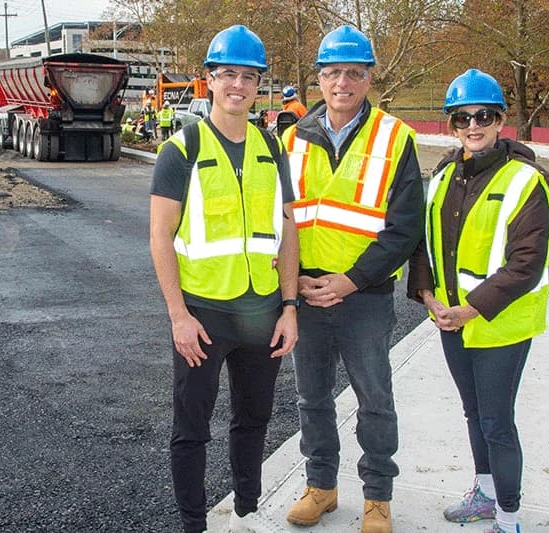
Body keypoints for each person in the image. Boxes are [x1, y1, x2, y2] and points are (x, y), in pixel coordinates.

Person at [149, 24, 299, 533]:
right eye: (228, 73)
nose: (239, 84)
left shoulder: (272, 148)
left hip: (262, 311)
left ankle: (247, 513)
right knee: (191, 428)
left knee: (254, 421)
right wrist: (178, 316)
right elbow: (160, 237)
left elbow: (287, 231)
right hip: (204, 314)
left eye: (249, 76)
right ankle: (194, 524)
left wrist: (290, 307)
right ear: (209, 79)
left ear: (260, 84)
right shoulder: (182, 149)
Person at [280, 25, 424, 532]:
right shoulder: (290, 139)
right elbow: (280, 221)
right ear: (319, 78)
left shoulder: (395, 137)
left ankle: (378, 497)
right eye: (334, 72)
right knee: (311, 399)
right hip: (306, 294)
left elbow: (405, 229)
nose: (343, 82)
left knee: (374, 401)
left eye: (355, 73)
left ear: (369, 79)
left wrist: (351, 280)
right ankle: (321, 487)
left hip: (363, 295)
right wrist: (292, 285)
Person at [407, 69, 549, 533]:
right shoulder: (445, 173)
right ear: (451, 123)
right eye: (462, 118)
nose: (473, 126)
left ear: (501, 119)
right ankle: (486, 494)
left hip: (500, 325)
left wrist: (469, 309)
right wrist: (428, 296)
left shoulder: (525, 181)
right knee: (474, 413)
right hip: (453, 321)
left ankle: (508, 517)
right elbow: (424, 243)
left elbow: (525, 263)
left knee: (496, 421)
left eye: (484, 116)